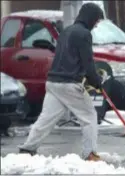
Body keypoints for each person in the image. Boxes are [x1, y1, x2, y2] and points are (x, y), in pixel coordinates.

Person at [18, 3, 104, 161]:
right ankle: (90, 153)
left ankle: (27, 148)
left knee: (46, 118)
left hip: (53, 82)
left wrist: (92, 79)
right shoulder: (84, 34)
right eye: (97, 20)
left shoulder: (66, 31)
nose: (97, 24)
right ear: (91, 17)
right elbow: (88, 62)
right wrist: (96, 80)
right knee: (89, 116)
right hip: (69, 84)